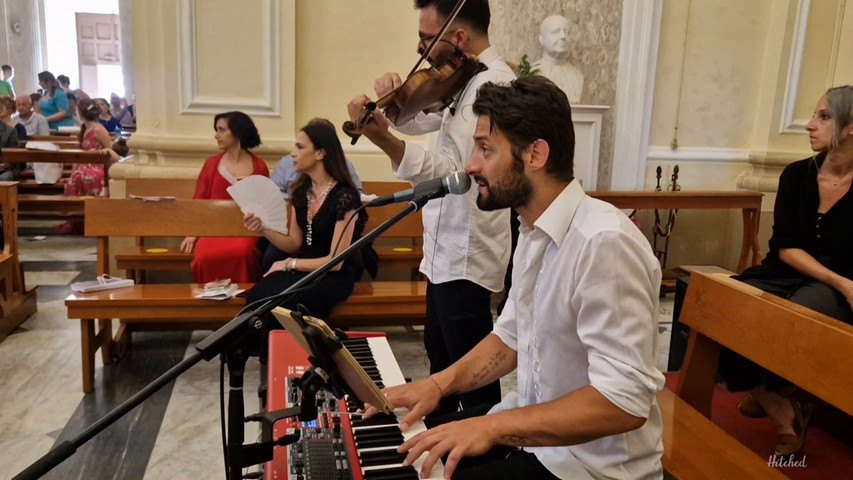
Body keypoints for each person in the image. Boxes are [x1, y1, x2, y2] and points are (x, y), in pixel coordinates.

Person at [361, 76, 664, 480]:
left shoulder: (603, 243)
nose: (470, 165)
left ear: (535, 154)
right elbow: (511, 337)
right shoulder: (532, 228)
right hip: (540, 444)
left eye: (485, 148)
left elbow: (623, 401)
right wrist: (437, 385)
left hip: (591, 468)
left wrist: (489, 426)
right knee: (401, 454)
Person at [347, 0, 516, 418]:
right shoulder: (463, 78)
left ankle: (477, 453)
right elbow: (415, 119)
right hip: (444, 253)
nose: (420, 50)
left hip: (467, 254)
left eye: (427, 39)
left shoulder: (494, 87)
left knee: (470, 377)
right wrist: (390, 99)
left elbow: (456, 175)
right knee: (441, 364)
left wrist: (382, 138)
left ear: (459, 38)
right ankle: (443, 439)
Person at [718, 85, 853, 457]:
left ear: (850, 127)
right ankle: (779, 402)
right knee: (724, 302)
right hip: (799, 273)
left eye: (823, 117)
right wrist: (843, 282)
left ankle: (779, 410)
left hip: (833, 289)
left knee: (801, 314)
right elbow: (786, 246)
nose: (810, 125)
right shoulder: (796, 176)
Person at [244, 119, 368, 324]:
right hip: (303, 271)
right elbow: (294, 243)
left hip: (333, 277)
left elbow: (335, 262)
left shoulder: (345, 197)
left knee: (283, 304)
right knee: (259, 296)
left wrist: (287, 264)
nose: (293, 153)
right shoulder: (301, 192)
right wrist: (264, 229)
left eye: (300, 147)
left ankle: (295, 353)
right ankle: (266, 354)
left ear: (320, 153)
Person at [180, 111, 268, 284]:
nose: (216, 135)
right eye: (217, 130)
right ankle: (209, 303)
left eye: (221, 130)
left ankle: (243, 301)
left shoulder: (259, 166)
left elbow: (263, 205)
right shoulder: (211, 164)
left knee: (243, 253)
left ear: (237, 132)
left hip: (245, 229)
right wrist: (192, 234)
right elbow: (198, 200)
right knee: (203, 257)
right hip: (213, 229)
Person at [64, 98, 113, 197]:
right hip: (84, 164)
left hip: (98, 165)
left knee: (86, 176)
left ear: (81, 113)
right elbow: (79, 154)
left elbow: (111, 150)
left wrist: (97, 152)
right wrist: (72, 173)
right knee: (76, 177)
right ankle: (76, 207)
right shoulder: (84, 129)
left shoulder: (98, 129)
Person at [531, 15, 583, 103]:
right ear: (541, 39)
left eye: (567, 32)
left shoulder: (577, 76)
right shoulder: (530, 72)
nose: (563, 36)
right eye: (556, 32)